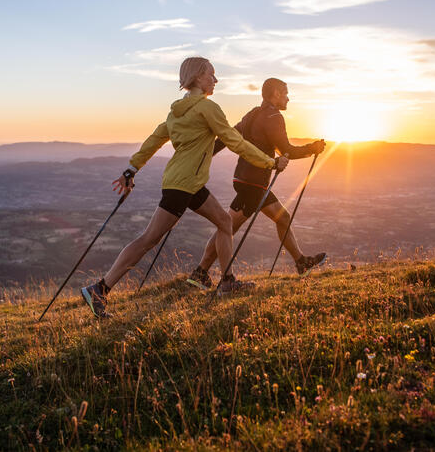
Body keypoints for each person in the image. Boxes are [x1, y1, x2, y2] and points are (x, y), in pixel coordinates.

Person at [80, 58, 289, 318]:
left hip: (185, 182)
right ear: (199, 77)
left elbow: (154, 140)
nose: (216, 80)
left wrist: (131, 169)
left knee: (225, 222)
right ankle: (100, 289)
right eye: (212, 75)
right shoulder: (207, 108)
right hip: (184, 185)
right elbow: (235, 141)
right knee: (148, 240)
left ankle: (227, 282)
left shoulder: (175, 112)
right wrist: (270, 162)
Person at [187, 78, 326, 289]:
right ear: (276, 94)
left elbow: (228, 136)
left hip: (245, 179)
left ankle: (300, 262)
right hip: (255, 183)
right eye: (286, 93)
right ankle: (200, 273)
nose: (288, 98)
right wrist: (312, 148)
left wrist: (207, 155)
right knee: (227, 228)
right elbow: (286, 150)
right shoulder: (274, 117)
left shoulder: (253, 113)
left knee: (282, 217)